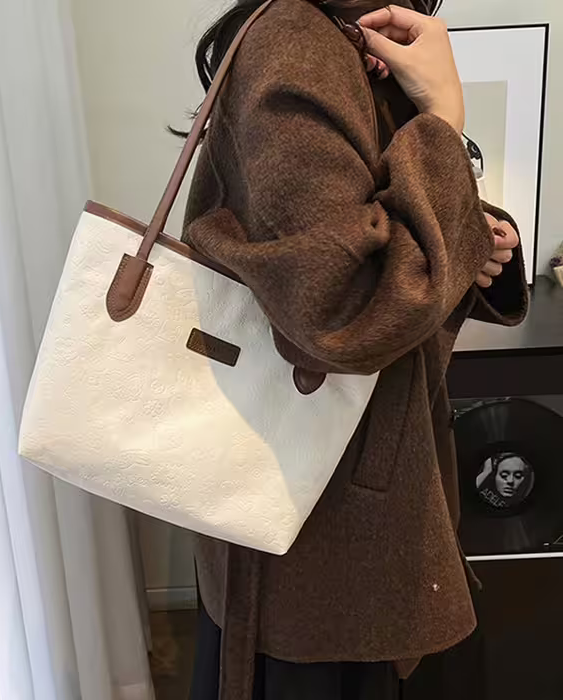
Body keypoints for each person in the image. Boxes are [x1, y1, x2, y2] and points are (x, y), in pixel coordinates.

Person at [181, 2, 529, 699]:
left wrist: (473, 234)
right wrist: (442, 122)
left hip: (348, 507)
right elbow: (345, 309)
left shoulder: (344, 38)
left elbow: (356, 225)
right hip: (325, 530)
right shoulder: (295, 43)